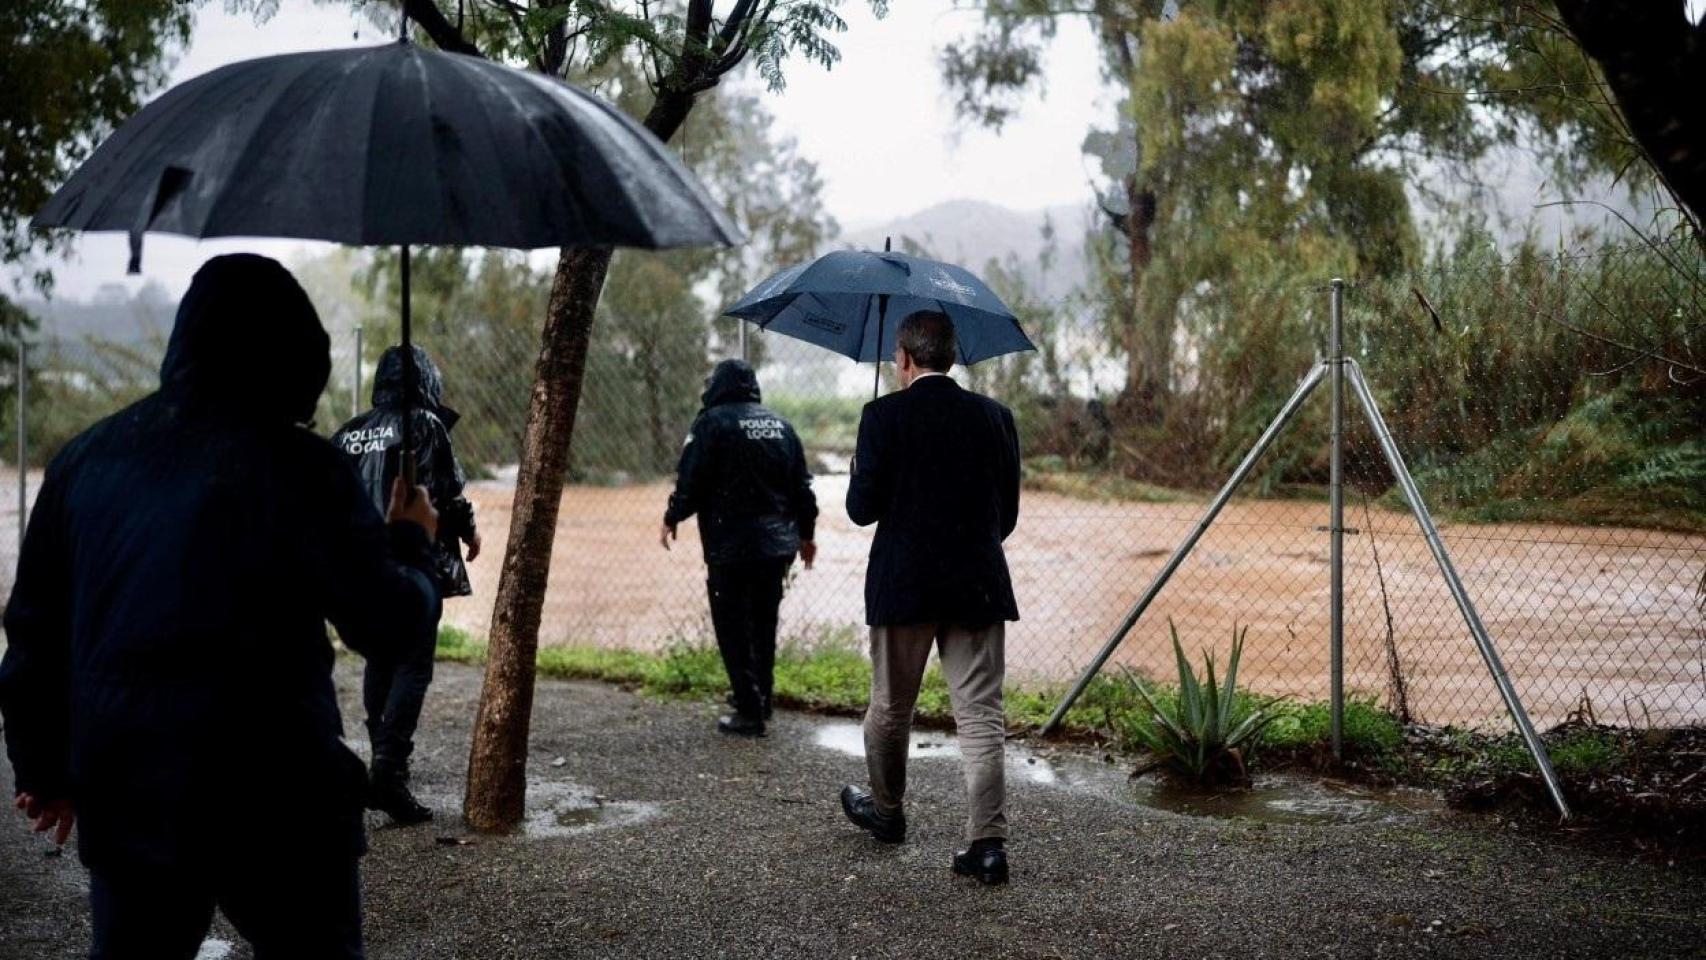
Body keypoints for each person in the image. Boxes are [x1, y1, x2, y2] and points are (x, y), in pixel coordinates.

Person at [0, 254, 440, 959]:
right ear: (297, 352)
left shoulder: (85, 461)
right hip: (279, 798)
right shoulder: (300, 467)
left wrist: (42, 770)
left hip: (129, 793)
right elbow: (386, 623)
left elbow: (33, 635)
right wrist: (412, 542)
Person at [837, 309, 1021, 887]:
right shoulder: (996, 417)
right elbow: (1006, 515)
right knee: (981, 716)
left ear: (906, 359)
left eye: (897, 359)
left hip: (905, 586)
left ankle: (887, 813)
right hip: (978, 582)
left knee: (891, 708)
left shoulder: (881, 416)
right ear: (951, 356)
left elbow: (860, 509)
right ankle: (987, 845)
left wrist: (859, 470)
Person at [332, 345, 480, 824]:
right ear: (428, 381)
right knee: (413, 663)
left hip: (358, 566)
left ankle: (382, 759)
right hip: (410, 558)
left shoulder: (349, 433)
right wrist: (469, 530)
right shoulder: (425, 424)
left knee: (380, 657)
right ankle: (390, 771)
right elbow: (445, 490)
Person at [661, 358, 818, 738]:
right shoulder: (781, 426)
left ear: (718, 386)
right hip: (775, 547)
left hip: (730, 548)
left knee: (732, 627)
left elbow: (691, 481)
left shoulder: (710, 424)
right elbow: (802, 488)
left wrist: (671, 516)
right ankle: (761, 697)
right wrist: (807, 535)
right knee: (764, 623)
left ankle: (749, 712)